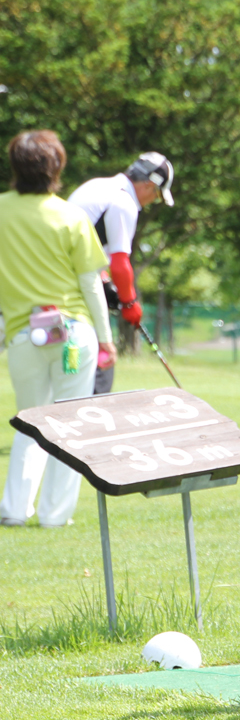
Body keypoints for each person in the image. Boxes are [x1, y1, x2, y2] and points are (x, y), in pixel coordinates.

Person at [0, 131, 115, 527]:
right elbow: (90, 284)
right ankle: (54, 515)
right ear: (56, 167)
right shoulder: (71, 216)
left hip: (22, 335)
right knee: (70, 426)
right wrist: (107, 340)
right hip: (73, 335)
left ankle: (14, 509)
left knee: (29, 421)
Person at [67, 151, 174, 393]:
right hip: (76, 287)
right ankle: (90, 408)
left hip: (59, 279)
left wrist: (104, 279)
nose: (153, 201)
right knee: (103, 360)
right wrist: (130, 303)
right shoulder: (124, 201)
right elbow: (119, 263)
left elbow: (87, 246)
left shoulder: (97, 186)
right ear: (149, 185)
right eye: (157, 195)